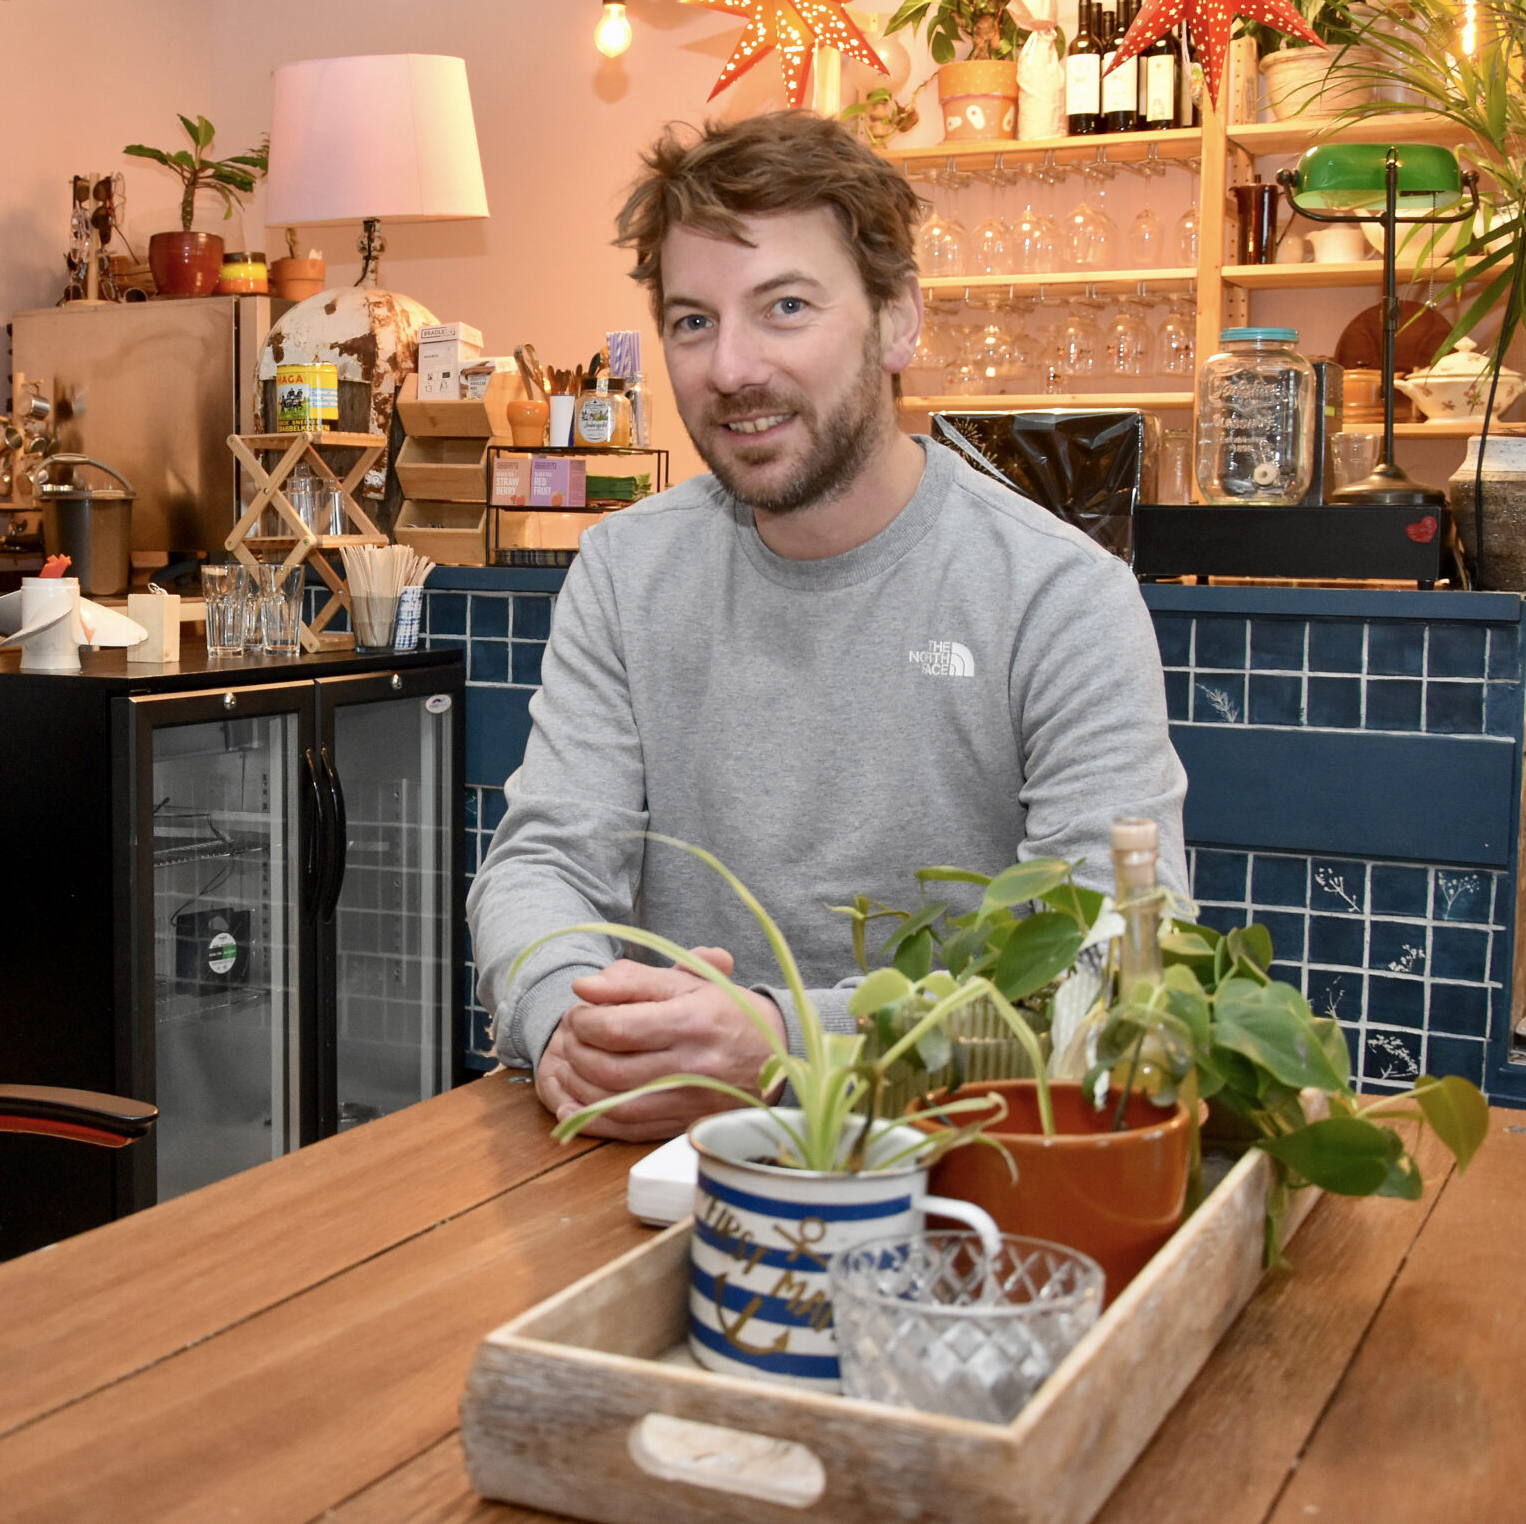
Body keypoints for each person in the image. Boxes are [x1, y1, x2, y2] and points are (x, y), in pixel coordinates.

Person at [467, 110, 1187, 1143]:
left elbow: (1113, 959)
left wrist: (786, 1044)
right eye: (692, 321)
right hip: (660, 1149)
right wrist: (566, 1027)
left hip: (962, 1156)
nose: (730, 368)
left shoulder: (1055, 595)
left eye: (786, 306)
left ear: (897, 320)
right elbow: (542, 864)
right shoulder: (625, 571)